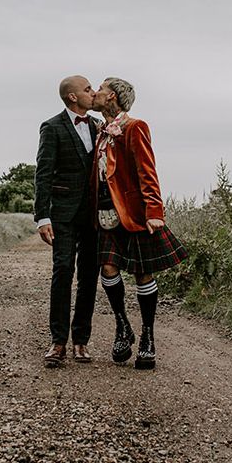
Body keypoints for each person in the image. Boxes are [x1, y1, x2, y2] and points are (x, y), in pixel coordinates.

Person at [91, 77, 188, 370]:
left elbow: (148, 170)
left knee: (142, 274)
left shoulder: (135, 127)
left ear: (113, 97)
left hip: (133, 214)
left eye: (100, 88)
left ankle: (148, 337)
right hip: (105, 213)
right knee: (108, 268)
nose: (95, 92)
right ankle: (122, 326)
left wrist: (154, 211)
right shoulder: (101, 132)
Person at [34, 75, 100, 368]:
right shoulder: (52, 127)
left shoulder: (99, 127)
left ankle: (81, 341)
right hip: (62, 213)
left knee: (89, 275)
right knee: (62, 270)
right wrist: (42, 216)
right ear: (73, 97)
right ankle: (58, 341)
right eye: (88, 89)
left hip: (95, 215)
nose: (93, 92)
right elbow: (43, 174)